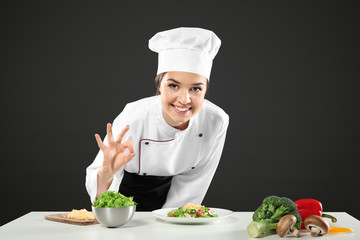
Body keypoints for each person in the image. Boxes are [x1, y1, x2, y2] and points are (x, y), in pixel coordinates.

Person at [85, 27, 229, 211]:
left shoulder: (216, 121)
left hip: (174, 202)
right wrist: (105, 176)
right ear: (159, 85)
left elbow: (196, 181)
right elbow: (101, 195)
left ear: (206, 90)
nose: (184, 99)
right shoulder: (134, 117)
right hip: (121, 199)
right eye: (173, 86)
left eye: (196, 88)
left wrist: (172, 222)